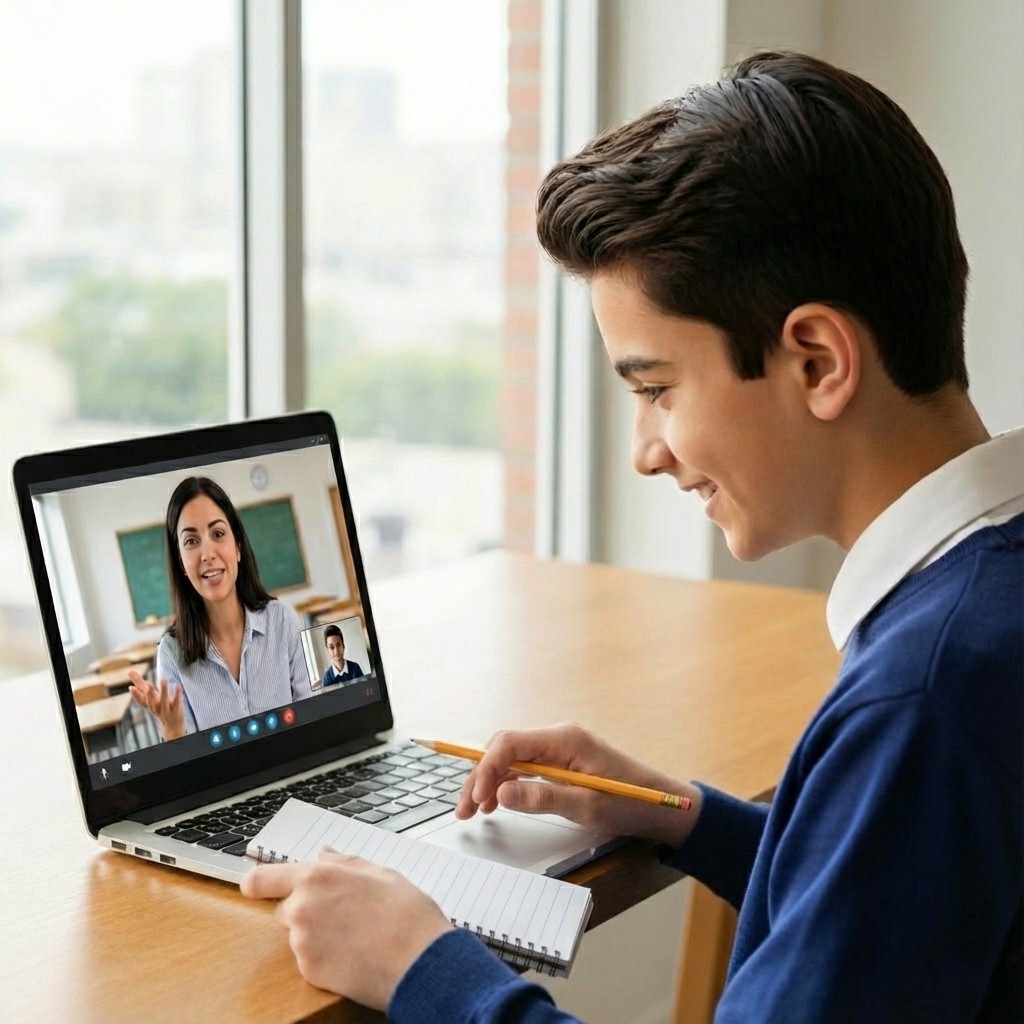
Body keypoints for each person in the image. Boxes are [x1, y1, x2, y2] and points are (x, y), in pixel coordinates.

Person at [241, 51, 1023, 1022]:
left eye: (655, 389)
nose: (646, 451)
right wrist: (689, 819)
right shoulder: (983, 610)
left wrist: (424, 967)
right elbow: (897, 903)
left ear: (817, 360)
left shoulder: (918, 702)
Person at [128, 476, 313, 740]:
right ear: (180, 562)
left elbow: (314, 726)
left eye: (217, 534)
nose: (207, 553)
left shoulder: (284, 621)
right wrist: (173, 732)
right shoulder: (171, 653)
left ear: (237, 546)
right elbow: (190, 774)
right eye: (191, 541)